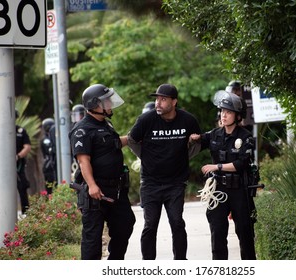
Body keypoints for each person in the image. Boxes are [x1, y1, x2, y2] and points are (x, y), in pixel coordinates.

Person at [123, 83, 201, 260]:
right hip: (150, 183)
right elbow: (132, 140)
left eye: (163, 99)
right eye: (157, 99)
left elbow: (198, 142)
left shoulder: (188, 120)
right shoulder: (146, 120)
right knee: (150, 225)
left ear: (174, 102)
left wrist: (184, 155)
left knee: (177, 223)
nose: (158, 103)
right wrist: (145, 156)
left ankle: (180, 262)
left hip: (176, 183)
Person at [69, 84, 135, 260]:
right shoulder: (82, 130)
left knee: (126, 224)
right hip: (95, 192)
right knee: (93, 239)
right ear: (94, 104)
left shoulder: (106, 125)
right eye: (106, 101)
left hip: (116, 190)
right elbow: (83, 160)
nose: (110, 104)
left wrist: (131, 138)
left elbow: (112, 144)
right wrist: (91, 185)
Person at [189, 91, 257, 260]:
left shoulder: (246, 137)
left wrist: (216, 166)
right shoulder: (214, 134)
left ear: (237, 115)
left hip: (239, 190)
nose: (224, 115)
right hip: (218, 191)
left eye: (228, 112)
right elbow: (197, 141)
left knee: (245, 235)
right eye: (222, 111)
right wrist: (193, 138)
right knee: (217, 235)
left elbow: (240, 164)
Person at [0, 110, 32, 215]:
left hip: (18, 166)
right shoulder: (0, 131)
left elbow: (27, 147)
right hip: (3, 166)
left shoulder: (21, 131)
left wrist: (18, 156)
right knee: (3, 189)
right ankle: (3, 214)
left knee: (22, 187)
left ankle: (25, 212)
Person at [41, 118, 56, 194]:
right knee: (49, 185)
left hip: (54, 162)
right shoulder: (45, 140)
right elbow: (48, 151)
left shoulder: (56, 137)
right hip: (49, 164)